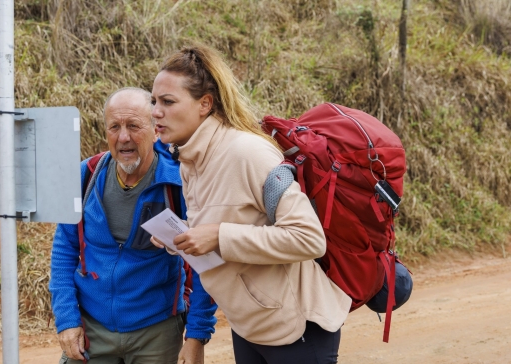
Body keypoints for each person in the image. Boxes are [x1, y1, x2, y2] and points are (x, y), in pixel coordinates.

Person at [149, 45, 352, 364]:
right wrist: (182, 239)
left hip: (296, 327)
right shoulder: (190, 161)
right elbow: (224, 231)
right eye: (154, 102)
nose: (156, 112)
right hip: (249, 324)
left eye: (168, 102)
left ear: (205, 104)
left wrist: (219, 236)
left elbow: (309, 239)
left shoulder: (248, 153)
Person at [49, 87, 217, 364]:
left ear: (155, 131)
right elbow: (64, 251)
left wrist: (196, 336)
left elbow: (206, 266)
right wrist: (67, 320)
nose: (123, 137)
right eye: (114, 127)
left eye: (133, 126)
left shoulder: (179, 185)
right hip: (92, 330)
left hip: (157, 333)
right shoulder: (86, 177)